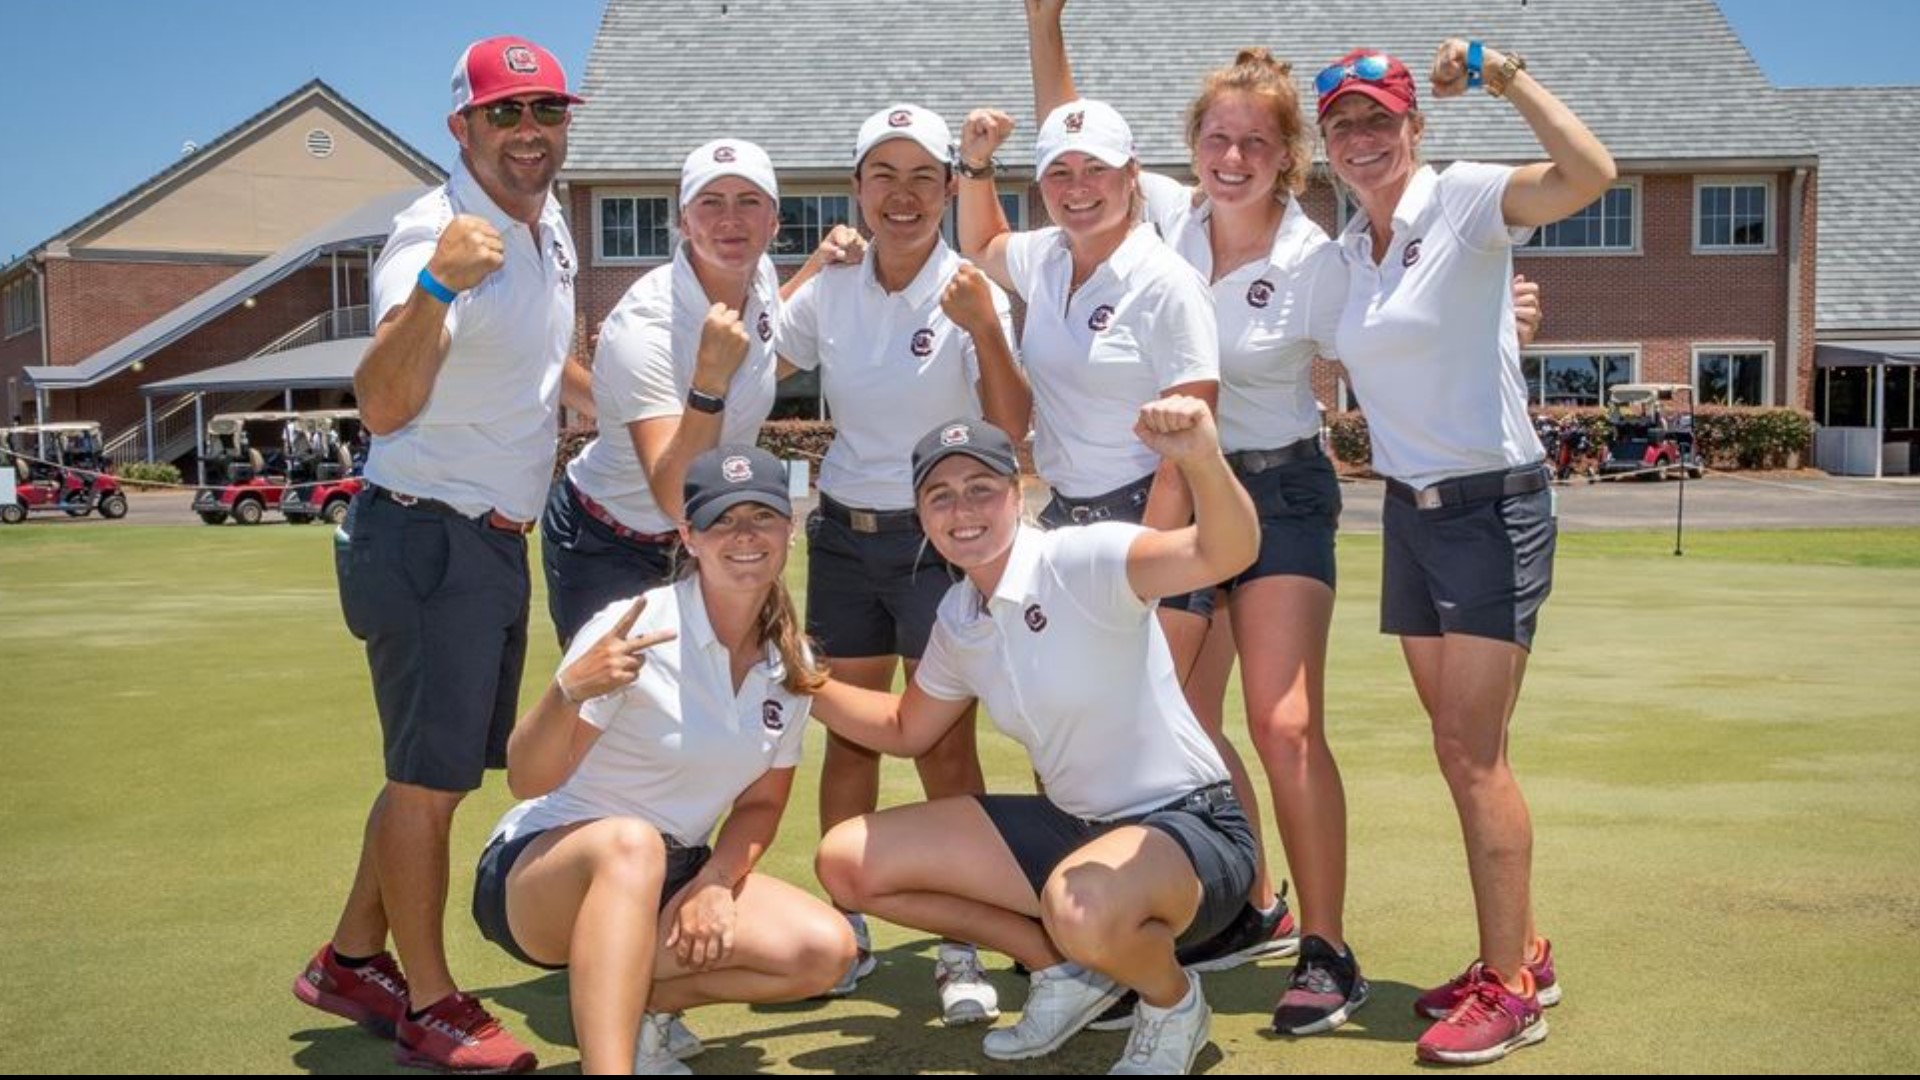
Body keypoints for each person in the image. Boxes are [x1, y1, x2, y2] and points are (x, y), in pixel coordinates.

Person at [1022, 0, 1546, 1030]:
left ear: (1287, 157)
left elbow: (1423, 322)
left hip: (1281, 490)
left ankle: (1329, 947)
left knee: (1284, 722)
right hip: (1174, 490)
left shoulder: (1322, 261)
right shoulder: (1158, 214)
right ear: (1187, 152)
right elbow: (1072, 137)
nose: (1232, 157)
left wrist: (1512, 316)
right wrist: (1047, 27)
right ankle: (1252, 900)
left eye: (1255, 143)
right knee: (1177, 720)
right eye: (1216, 139)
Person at [293, 35, 595, 1073]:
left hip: (491, 539)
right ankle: (431, 1004)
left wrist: (666, 423)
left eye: (546, 112)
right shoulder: (435, 231)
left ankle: (349, 960)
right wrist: (433, 288)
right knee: (425, 787)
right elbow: (379, 403)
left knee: (442, 773)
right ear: (461, 127)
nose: (528, 133)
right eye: (505, 114)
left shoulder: (547, 227)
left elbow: (554, 374)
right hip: (424, 531)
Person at [1315, 41, 1613, 1064]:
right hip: (1411, 513)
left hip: (1494, 508)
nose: (1362, 139)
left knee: (1473, 753)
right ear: (1326, 143)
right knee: (1456, 747)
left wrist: (1503, 71)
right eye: (1343, 124)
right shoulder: (1351, 249)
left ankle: (1513, 989)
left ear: (1413, 126)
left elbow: (1590, 177)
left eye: (1378, 119)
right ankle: (1518, 945)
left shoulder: (1465, 199)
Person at [812, 400, 1261, 1075]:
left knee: (1078, 900)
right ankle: (1061, 973)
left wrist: (1201, 457)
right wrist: (800, 682)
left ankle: (1172, 1003)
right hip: (1078, 829)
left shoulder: (1084, 557)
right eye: (941, 496)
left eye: (981, 489)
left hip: (1194, 833)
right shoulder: (959, 618)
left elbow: (1224, 550)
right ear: (921, 516)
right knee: (848, 862)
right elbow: (907, 730)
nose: (962, 509)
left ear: (1018, 494)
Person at [475, 445, 854, 1074]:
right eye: (722, 521)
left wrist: (713, 884)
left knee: (825, 950)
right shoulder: (634, 627)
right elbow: (526, 779)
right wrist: (568, 690)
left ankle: (635, 1011)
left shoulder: (792, 665)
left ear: (789, 527)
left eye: (761, 516)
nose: (744, 536)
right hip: (541, 872)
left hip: (670, 872)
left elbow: (761, 805)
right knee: (632, 844)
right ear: (689, 536)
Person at [775, 103, 1030, 1017]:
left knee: (941, 744)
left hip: (939, 542)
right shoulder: (833, 284)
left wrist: (986, 327)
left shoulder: (970, 286)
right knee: (848, 737)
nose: (903, 195)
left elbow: (1013, 424)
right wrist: (812, 262)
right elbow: (759, 352)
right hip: (843, 531)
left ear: (948, 189)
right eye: (883, 176)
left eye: (924, 176)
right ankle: (850, 929)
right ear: (856, 191)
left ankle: (962, 943)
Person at [543, 137, 835, 647]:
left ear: (774, 223)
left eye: (748, 202)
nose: (730, 220)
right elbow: (676, 498)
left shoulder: (760, 276)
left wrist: (820, 264)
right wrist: (709, 381)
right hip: (611, 540)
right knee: (622, 715)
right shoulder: (645, 326)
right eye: (710, 202)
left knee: (726, 695)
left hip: (707, 538)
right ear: (683, 220)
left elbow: (768, 331)